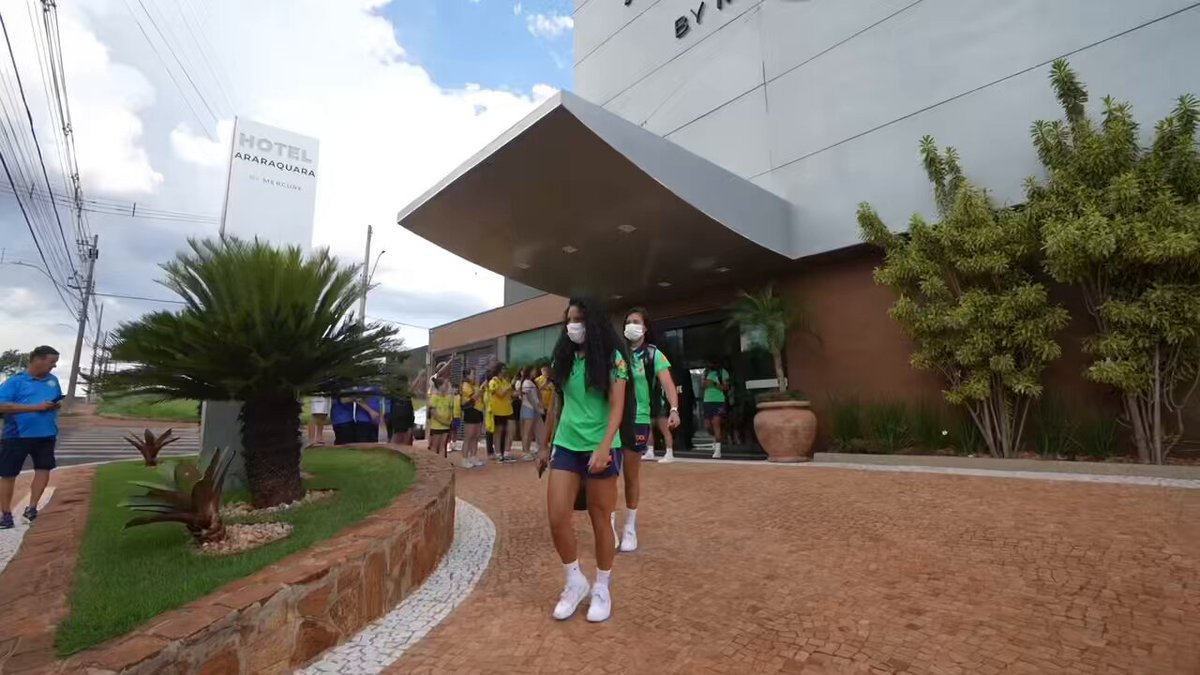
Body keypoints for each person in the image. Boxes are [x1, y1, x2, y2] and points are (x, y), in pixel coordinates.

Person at [538, 296, 633, 623]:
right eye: (568, 320)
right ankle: (574, 580)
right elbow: (556, 404)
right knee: (556, 516)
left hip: (601, 446)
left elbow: (618, 407)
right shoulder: (563, 356)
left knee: (600, 518)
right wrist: (544, 445)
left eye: (577, 319)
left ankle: (602, 586)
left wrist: (605, 446)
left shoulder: (613, 358)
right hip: (566, 445)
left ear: (592, 322)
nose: (571, 326)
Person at [615, 308, 682, 552]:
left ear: (644, 328)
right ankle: (609, 525)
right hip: (611, 420)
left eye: (636, 322)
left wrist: (674, 408)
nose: (631, 325)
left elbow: (668, 384)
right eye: (627, 321)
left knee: (631, 476)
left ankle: (630, 527)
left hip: (637, 419)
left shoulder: (654, 354)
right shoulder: (617, 353)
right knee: (608, 475)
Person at [0, 346, 62, 529]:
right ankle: (6, 515)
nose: (54, 366)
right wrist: (36, 408)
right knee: (8, 475)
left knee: (43, 470)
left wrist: (54, 405)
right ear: (37, 360)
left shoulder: (53, 380)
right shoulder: (15, 382)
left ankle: (32, 508)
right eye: (51, 362)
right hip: (17, 436)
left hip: (47, 435)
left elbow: (54, 400)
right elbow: (2, 406)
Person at [486, 362, 516, 462]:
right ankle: (498, 453)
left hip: (508, 409)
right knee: (498, 433)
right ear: (498, 370)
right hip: (497, 410)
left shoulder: (505, 381)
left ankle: (507, 452)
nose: (505, 371)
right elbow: (501, 394)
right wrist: (509, 386)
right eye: (503, 369)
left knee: (511, 430)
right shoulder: (493, 381)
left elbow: (510, 394)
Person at [702, 359, 731, 459]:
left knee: (716, 422)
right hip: (707, 401)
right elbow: (703, 386)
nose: (710, 364)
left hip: (719, 401)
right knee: (707, 426)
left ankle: (718, 450)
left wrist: (714, 384)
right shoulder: (706, 372)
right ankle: (717, 438)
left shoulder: (723, 372)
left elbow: (726, 388)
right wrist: (705, 384)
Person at [459, 368, 484, 467]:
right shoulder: (466, 386)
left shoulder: (474, 385)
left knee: (476, 435)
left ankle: (473, 456)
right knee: (469, 436)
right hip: (470, 410)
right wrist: (481, 388)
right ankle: (464, 459)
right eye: (473, 374)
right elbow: (474, 397)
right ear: (467, 376)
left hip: (478, 410)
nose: (475, 376)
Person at [518, 366, 543, 461]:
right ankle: (525, 451)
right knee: (527, 432)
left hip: (534, 408)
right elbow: (529, 397)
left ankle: (536, 450)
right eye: (533, 371)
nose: (535, 372)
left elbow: (537, 396)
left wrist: (539, 405)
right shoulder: (526, 383)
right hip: (528, 408)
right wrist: (538, 408)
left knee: (536, 431)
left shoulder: (532, 382)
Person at [427, 376, 454, 457]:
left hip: (446, 426)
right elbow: (434, 414)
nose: (446, 387)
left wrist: (449, 422)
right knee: (435, 446)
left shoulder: (448, 398)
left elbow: (451, 411)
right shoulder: (434, 398)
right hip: (437, 426)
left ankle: (443, 464)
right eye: (445, 385)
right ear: (439, 386)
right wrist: (444, 422)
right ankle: (433, 464)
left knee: (443, 446)